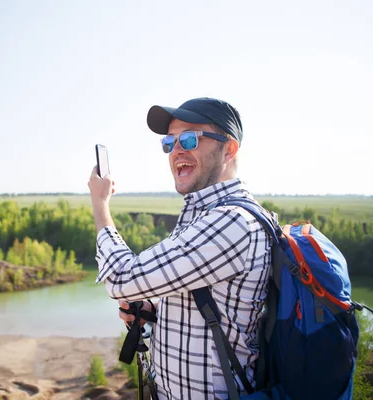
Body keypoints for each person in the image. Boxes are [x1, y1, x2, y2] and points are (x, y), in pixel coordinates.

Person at [87, 97, 272, 400]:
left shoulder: (230, 223)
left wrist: (100, 204)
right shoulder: (203, 216)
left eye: (189, 138)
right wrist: (156, 312)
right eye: (169, 143)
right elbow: (217, 307)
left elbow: (122, 280)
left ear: (229, 149)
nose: (176, 150)